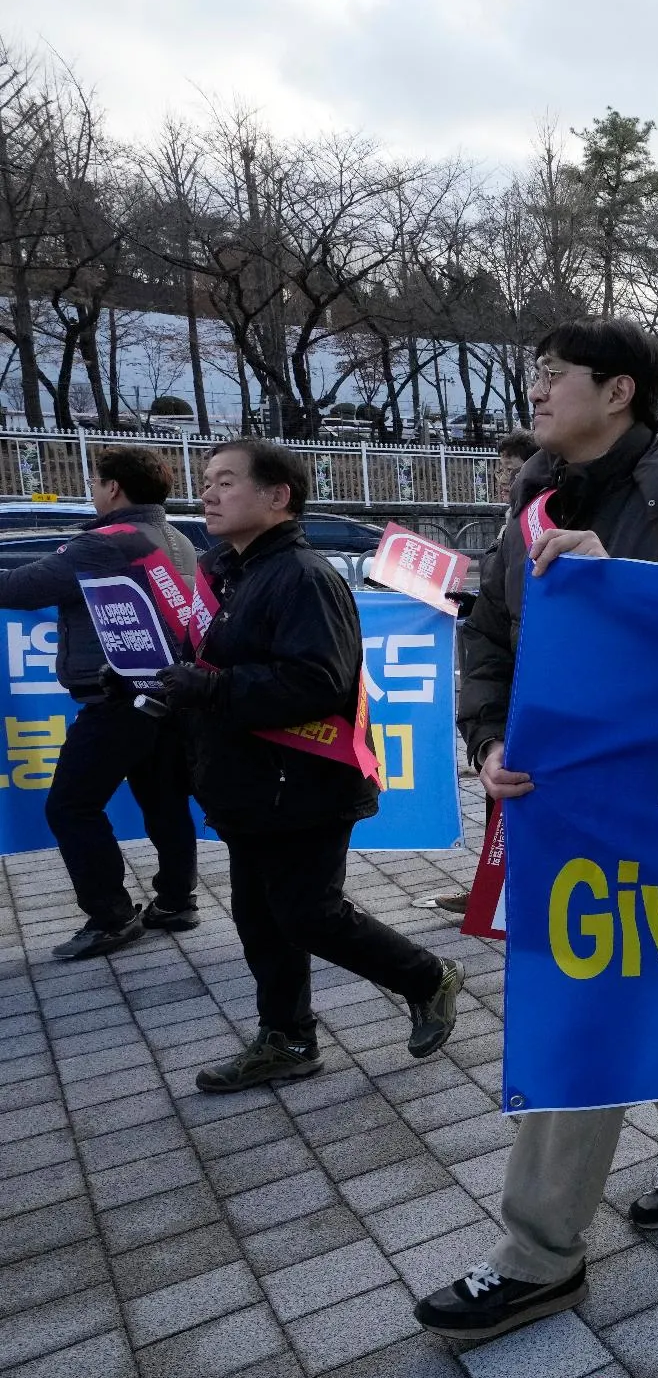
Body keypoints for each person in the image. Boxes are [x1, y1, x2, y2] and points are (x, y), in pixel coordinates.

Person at [417, 320, 658, 1342]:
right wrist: (485, 735)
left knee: (587, 1009)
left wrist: (623, 579)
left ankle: (539, 1256)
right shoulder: (533, 502)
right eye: (530, 369)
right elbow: (488, 634)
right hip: (553, 806)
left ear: (618, 392)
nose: (534, 387)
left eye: (552, 372)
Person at [163, 441, 461, 1091]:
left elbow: (317, 681)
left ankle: (427, 976)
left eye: (226, 481)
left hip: (303, 782)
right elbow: (221, 666)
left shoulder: (302, 576)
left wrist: (208, 689)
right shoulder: (230, 573)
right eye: (206, 481)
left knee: (307, 913)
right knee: (259, 916)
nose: (207, 493)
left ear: (278, 496)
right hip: (249, 782)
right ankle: (288, 1038)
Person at [0, 447, 202, 960]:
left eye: (94, 483)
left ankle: (112, 915)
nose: (92, 491)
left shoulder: (105, 542)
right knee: (164, 800)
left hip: (115, 697)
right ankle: (176, 901)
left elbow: (21, 587)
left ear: (113, 488)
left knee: (70, 805)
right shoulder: (177, 538)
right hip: (167, 695)